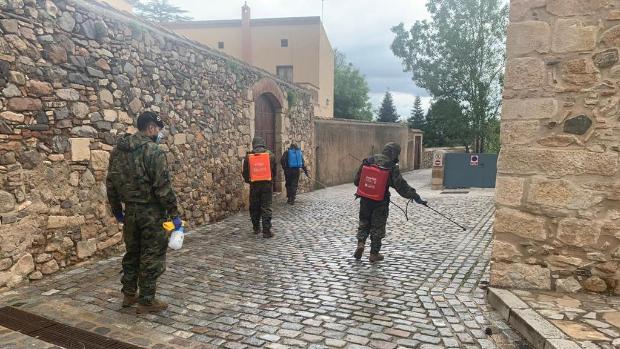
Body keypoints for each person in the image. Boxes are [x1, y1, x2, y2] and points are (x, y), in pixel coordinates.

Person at [106, 111, 182, 314]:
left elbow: (111, 184)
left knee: (132, 253)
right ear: (150, 128)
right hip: (152, 213)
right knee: (152, 255)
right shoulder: (154, 152)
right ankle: (147, 300)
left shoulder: (118, 151)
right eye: (158, 129)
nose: (159, 133)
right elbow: (162, 187)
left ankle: (129, 294)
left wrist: (117, 211)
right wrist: (174, 214)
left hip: (130, 211)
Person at [353, 142, 427, 262]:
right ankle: (374, 254)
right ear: (394, 154)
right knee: (378, 227)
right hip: (380, 201)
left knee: (364, 222)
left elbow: (356, 181)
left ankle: (360, 244)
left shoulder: (369, 160)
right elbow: (401, 187)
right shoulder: (391, 166)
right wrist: (415, 196)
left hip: (365, 199)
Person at [242, 136, 277, 238]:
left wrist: (249, 181)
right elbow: (274, 171)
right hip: (266, 184)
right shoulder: (270, 155)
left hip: (254, 185)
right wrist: (270, 180)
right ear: (263, 143)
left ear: (254, 144)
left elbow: (245, 173)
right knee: (266, 207)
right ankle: (266, 231)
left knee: (254, 206)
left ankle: (256, 228)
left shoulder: (249, 156)